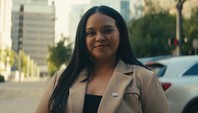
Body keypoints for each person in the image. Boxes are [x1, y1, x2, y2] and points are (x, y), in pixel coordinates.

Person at [35, 5, 170, 113]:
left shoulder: (145, 79)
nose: (99, 37)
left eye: (107, 30)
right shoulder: (61, 78)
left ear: (121, 34)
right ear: (83, 39)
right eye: (91, 33)